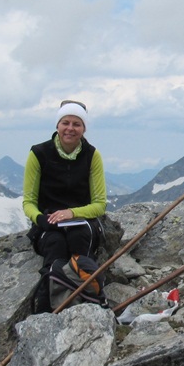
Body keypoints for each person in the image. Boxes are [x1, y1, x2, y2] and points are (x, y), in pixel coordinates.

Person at [22, 100, 107, 312]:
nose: (70, 128)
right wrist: (40, 219)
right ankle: (47, 308)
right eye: (65, 123)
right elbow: (29, 202)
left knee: (79, 242)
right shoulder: (39, 154)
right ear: (57, 125)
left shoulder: (92, 155)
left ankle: (85, 306)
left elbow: (99, 205)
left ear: (84, 128)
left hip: (81, 220)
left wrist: (71, 213)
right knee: (55, 245)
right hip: (48, 221)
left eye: (77, 124)